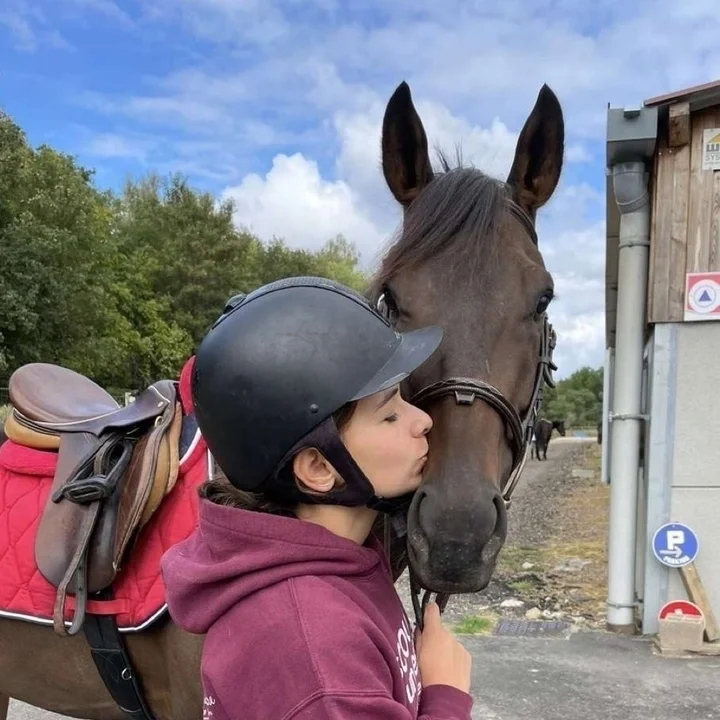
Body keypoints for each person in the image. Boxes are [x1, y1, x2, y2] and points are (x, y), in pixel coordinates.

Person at [161, 276, 474, 719]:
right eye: (389, 414)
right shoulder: (313, 648)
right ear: (319, 468)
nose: (423, 420)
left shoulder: (344, 563)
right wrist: (446, 695)